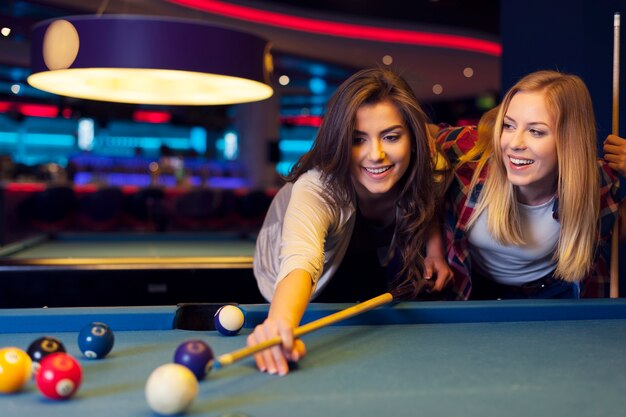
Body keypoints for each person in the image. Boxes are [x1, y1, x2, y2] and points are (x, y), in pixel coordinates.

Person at [249, 67, 455, 376]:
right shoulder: (317, 188)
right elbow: (300, 260)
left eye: (391, 136)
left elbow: (430, 196)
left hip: (362, 252)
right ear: (339, 140)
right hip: (285, 270)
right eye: (358, 139)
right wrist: (279, 325)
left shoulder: (429, 163)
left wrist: (435, 251)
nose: (376, 154)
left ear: (413, 139)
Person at [438, 70, 623, 300]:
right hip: (472, 288)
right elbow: (412, 140)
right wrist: (433, 248)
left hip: (552, 293)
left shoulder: (596, 183)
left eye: (536, 131)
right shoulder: (468, 152)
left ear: (569, 140)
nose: (515, 143)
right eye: (508, 125)